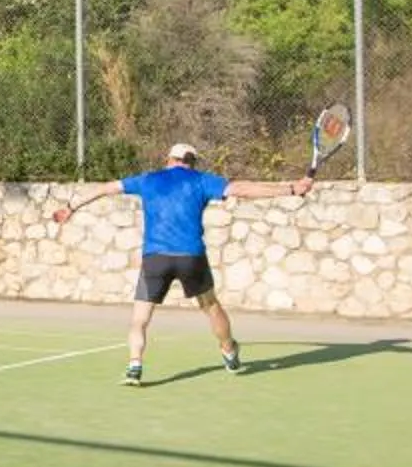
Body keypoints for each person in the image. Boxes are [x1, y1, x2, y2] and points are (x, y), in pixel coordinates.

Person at [53, 142, 311, 385]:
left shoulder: (148, 180)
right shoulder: (201, 180)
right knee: (210, 307)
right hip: (191, 258)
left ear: (169, 160)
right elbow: (242, 189)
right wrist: (290, 189)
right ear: (192, 162)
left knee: (139, 319)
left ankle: (134, 365)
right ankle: (229, 352)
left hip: (155, 259)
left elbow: (106, 187)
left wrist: (71, 207)